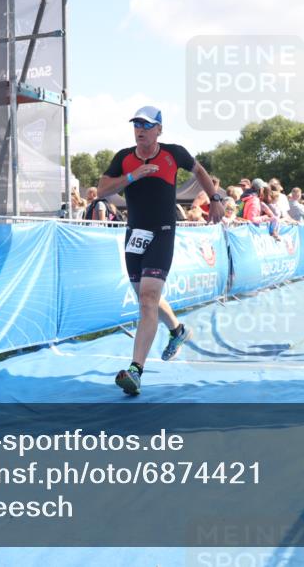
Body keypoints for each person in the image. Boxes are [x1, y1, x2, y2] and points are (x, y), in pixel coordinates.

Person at [97, 105, 224, 396]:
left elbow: (201, 171)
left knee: (148, 298)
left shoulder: (173, 152)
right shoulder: (124, 158)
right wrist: (133, 176)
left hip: (163, 231)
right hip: (135, 233)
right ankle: (178, 330)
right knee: (146, 299)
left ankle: (135, 371)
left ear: (159, 130)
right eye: (136, 125)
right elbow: (102, 190)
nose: (140, 130)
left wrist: (215, 198)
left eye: (146, 125)